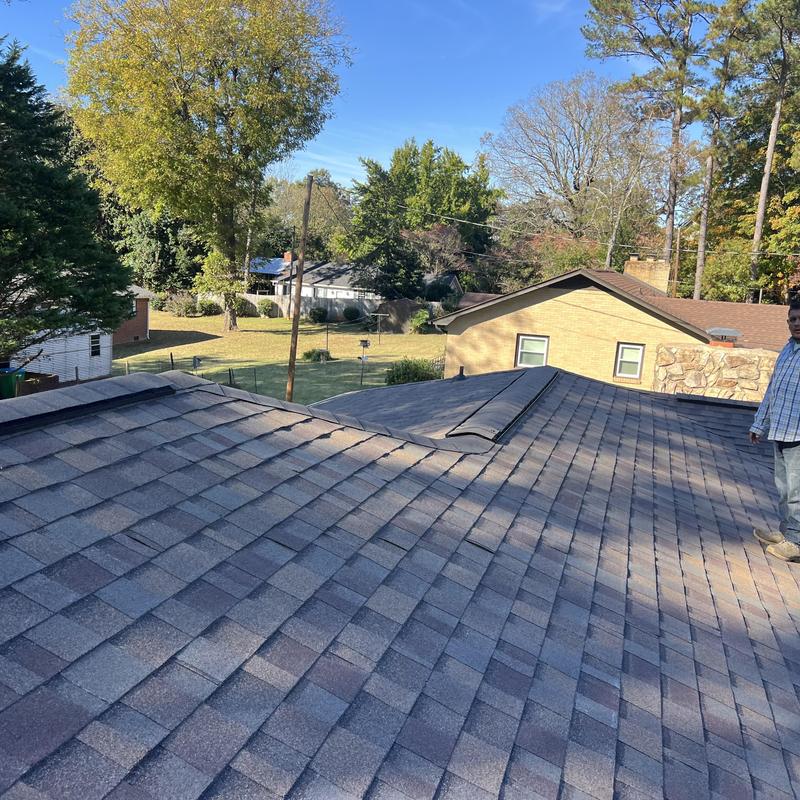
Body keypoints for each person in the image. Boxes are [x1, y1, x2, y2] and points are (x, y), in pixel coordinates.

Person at [750, 301, 800, 561]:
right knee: (784, 488)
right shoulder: (788, 349)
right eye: (793, 319)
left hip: (799, 435)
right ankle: (788, 533)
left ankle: (797, 543)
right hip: (781, 430)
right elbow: (773, 389)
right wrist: (760, 423)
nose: (797, 323)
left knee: (797, 490)